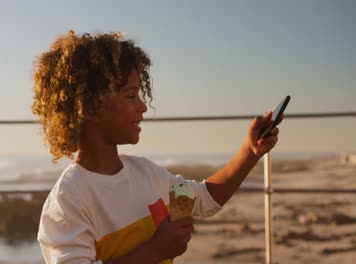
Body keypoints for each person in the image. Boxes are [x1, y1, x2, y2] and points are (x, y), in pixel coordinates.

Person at [32, 31, 279, 264]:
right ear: (90, 107)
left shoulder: (147, 174)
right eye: (131, 96)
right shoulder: (69, 201)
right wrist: (154, 251)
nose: (142, 107)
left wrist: (249, 151)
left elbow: (203, 199)